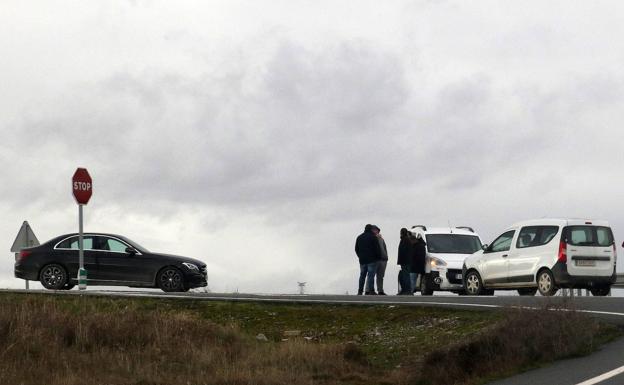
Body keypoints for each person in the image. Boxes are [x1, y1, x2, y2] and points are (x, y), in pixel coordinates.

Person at [355, 224, 381, 295]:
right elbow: (377, 249)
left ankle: (360, 291)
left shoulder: (359, 237)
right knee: (370, 276)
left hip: (362, 260)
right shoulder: (373, 237)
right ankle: (371, 290)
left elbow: (356, 249)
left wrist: (360, 256)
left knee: (362, 276)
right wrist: (378, 257)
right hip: (372, 260)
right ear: (371, 229)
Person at [371, 225, 388, 295]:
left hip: (383, 259)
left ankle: (380, 290)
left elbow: (384, 248)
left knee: (380, 276)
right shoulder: (371, 238)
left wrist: (386, 257)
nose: (376, 231)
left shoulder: (381, 239)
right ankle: (369, 290)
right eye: (374, 230)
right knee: (371, 275)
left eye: (376, 230)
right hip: (375, 260)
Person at [397, 228, 412, 295]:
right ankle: (406, 290)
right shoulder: (407, 240)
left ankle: (406, 290)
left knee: (405, 276)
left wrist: (400, 260)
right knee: (405, 275)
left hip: (405, 261)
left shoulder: (404, 240)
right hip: (407, 261)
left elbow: (403, 251)